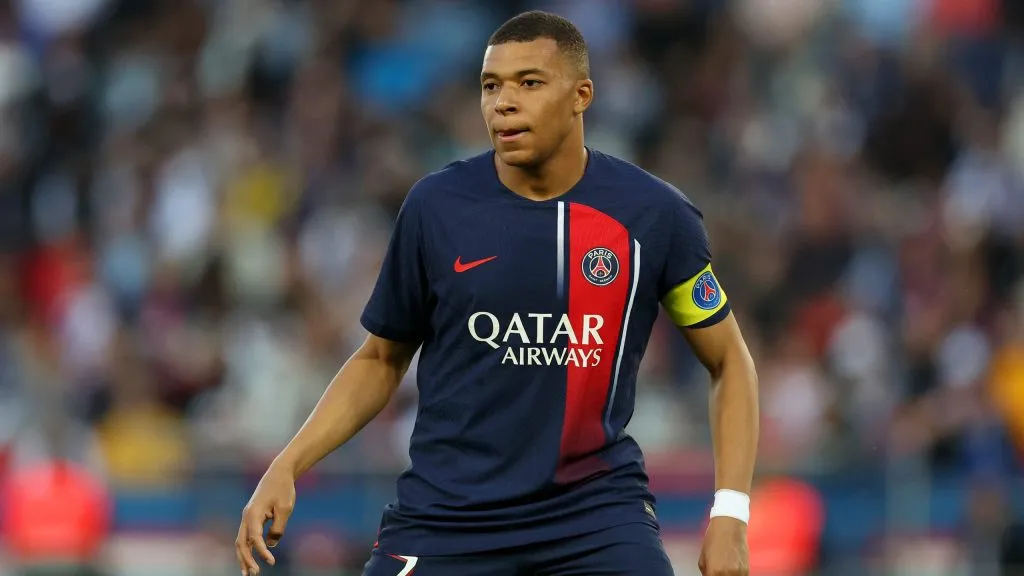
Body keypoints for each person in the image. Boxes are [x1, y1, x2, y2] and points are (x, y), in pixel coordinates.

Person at [235, 10, 759, 576]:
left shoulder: (653, 215)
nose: (503, 103)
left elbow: (729, 361)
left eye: (529, 83)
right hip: (447, 520)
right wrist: (287, 464)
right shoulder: (436, 207)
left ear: (581, 95)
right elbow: (380, 359)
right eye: (491, 86)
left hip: (594, 519)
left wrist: (730, 513)